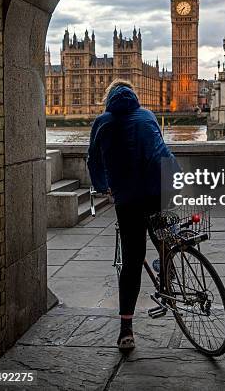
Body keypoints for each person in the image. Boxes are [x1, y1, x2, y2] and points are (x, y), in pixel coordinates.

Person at [87, 79, 176, 350]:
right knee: (162, 235)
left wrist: (103, 187)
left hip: (128, 199)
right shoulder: (148, 115)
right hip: (162, 185)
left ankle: (126, 331)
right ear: (134, 96)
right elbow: (157, 148)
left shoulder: (102, 122)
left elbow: (93, 160)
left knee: (132, 263)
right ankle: (168, 272)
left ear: (108, 98)